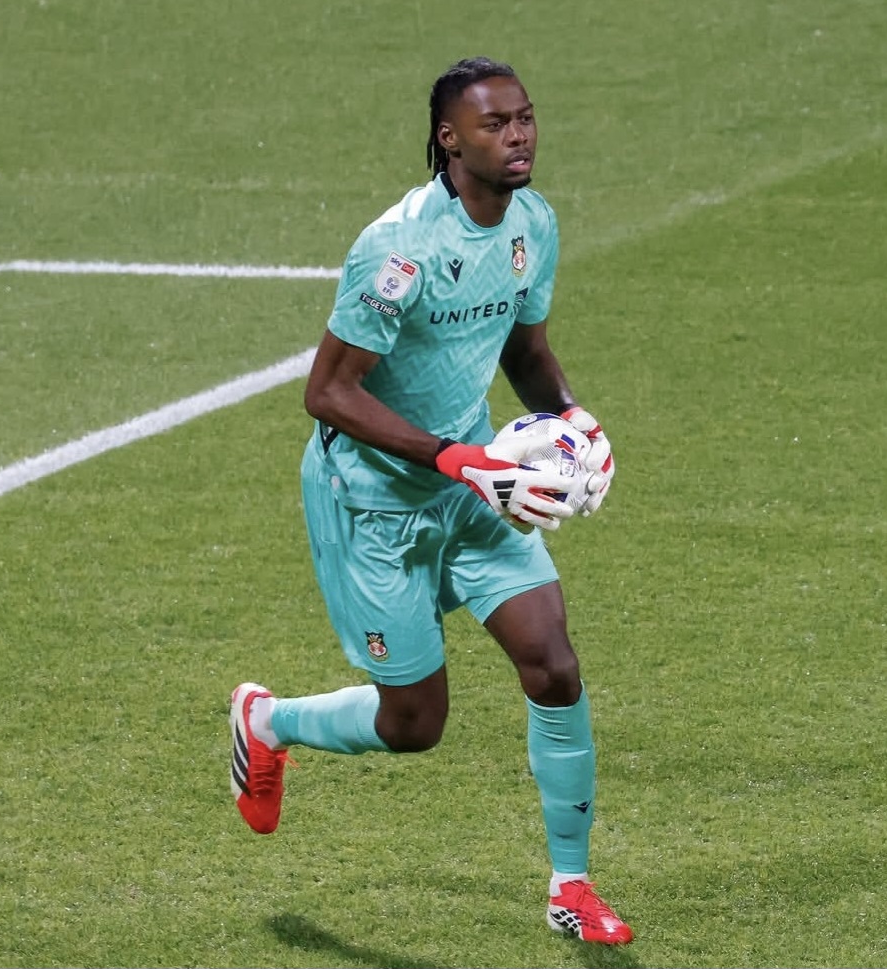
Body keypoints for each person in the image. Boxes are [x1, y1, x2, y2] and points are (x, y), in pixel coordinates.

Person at [228, 55, 632, 946]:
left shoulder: (532, 223)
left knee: (553, 665)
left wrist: (570, 422)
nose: (518, 135)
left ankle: (572, 884)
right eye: (496, 124)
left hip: (472, 486)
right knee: (414, 724)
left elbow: (524, 350)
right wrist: (455, 457)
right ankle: (266, 720)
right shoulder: (399, 248)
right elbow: (328, 392)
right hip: (372, 500)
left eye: (525, 118)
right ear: (450, 140)